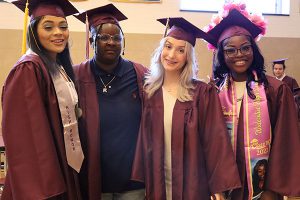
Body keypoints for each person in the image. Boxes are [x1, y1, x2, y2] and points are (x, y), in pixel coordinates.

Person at [131, 17, 241, 200]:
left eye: (181, 50)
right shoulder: (150, 92)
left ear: (188, 57)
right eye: (168, 46)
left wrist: (217, 186)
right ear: (161, 50)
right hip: (157, 180)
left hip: (193, 183)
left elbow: (215, 141)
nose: (171, 55)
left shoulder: (202, 93)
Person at [205, 2, 300, 200]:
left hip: (264, 187)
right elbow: (207, 142)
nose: (239, 55)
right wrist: (214, 183)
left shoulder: (275, 90)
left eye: (245, 48)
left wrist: (273, 188)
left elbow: (285, 142)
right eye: (231, 50)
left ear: (253, 50)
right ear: (222, 55)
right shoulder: (213, 91)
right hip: (225, 185)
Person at [1, 0, 84, 199]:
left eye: (63, 26)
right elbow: (28, 136)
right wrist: (46, 187)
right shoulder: (28, 69)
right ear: (33, 31)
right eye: (48, 27)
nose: (58, 32)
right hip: (44, 183)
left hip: (64, 166)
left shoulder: (57, 67)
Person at [73, 4, 147, 200]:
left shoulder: (140, 74)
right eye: (104, 37)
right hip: (93, 179)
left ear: (123, 42)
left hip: (134, 182)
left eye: (117, 38)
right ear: (91, 41)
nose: (111, 42)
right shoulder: (76, 76)